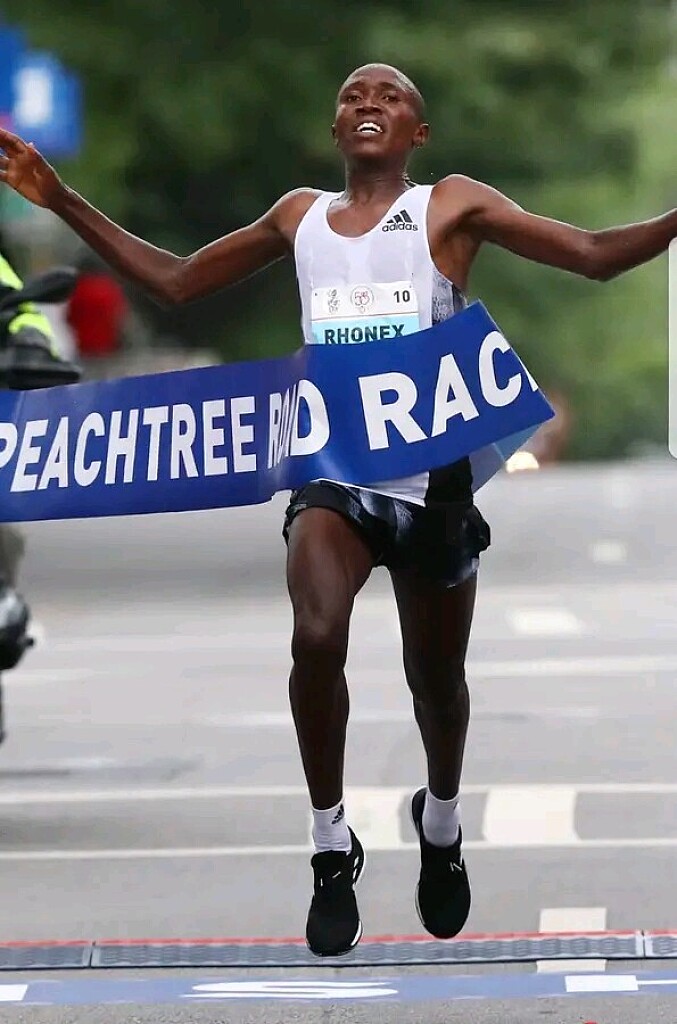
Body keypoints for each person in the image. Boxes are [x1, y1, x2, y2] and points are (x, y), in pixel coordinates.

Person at [1, 62, 675, 957]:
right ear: (334, 129)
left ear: (416, 134)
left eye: (390, 98)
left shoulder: (449, 206)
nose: (368, 104)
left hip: (433, 485)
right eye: (353, 96)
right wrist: (60, 199)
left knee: (437, 685)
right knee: (315, 634)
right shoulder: (300, 217)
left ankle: (440, 821)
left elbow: (590, 255)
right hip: (334, 474)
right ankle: (329, 845)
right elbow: (177, 281)